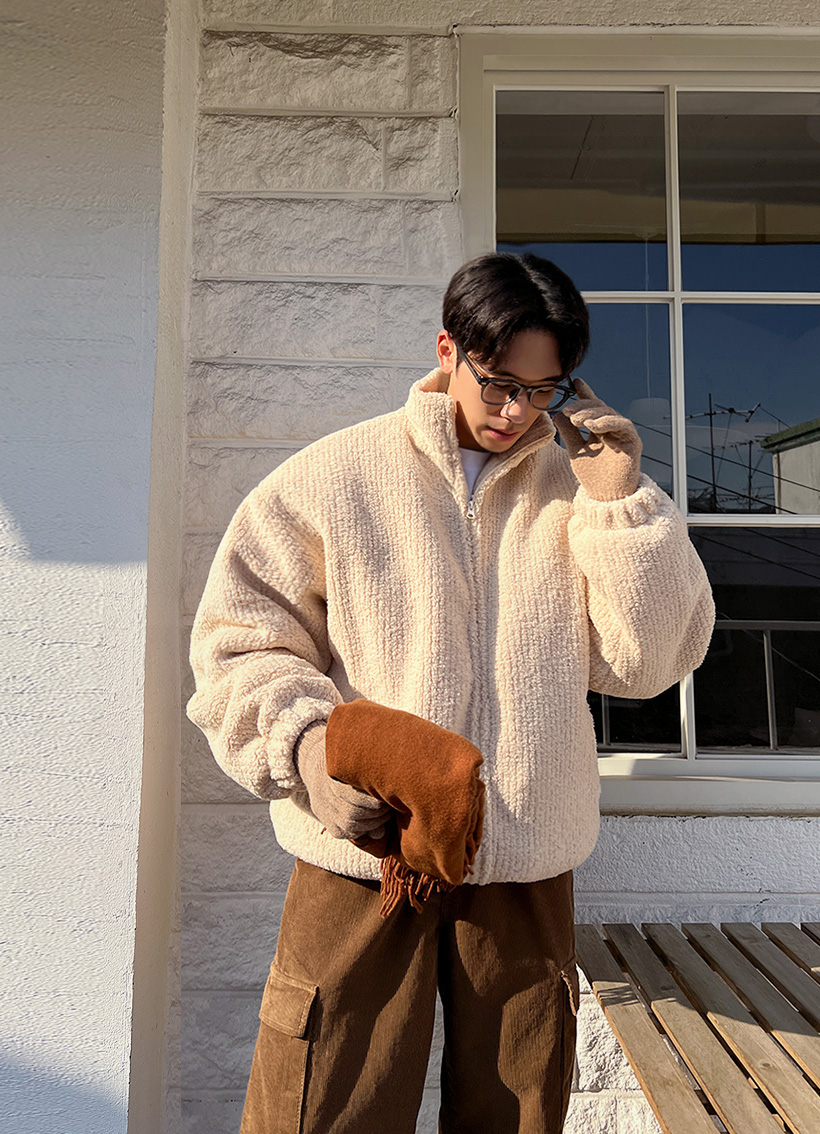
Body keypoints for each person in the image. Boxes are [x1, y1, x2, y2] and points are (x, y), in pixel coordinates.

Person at [187, 252, 715, 1134]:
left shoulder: (585, 488)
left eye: (543, 391)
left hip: (522, 863)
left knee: (517, 1114)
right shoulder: (334, 477)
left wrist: (620, 502)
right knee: (323, 1107)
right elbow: (240, 643)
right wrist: (308, 753)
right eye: (500, 383)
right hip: (363, 853)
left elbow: (648, 664)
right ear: (447, 351)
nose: (517, 412)